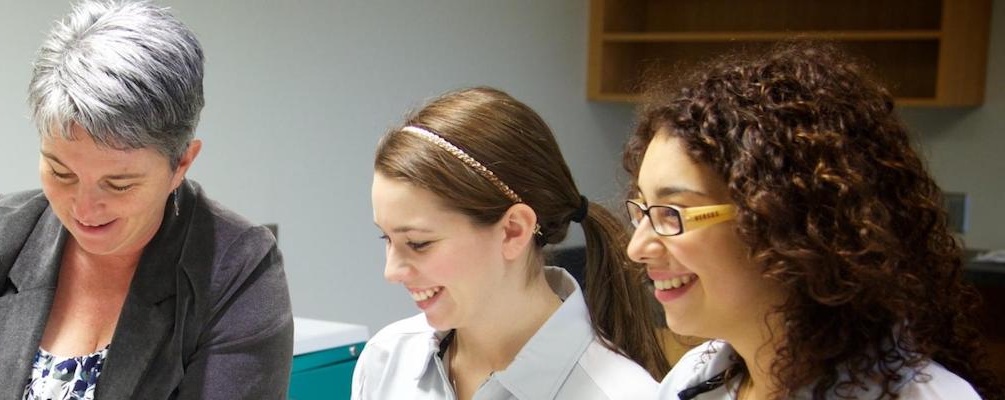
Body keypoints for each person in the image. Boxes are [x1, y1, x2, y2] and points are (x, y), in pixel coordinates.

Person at [0, 2, 293, 399]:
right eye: (61, 173)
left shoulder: (235, 269)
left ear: (181, 164)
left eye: (119, 185)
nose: (83, 209)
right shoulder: (0, 236)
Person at [623, 44, 1002, 399]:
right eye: (641, 210)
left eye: (672, 213)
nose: (636, 248)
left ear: (786, 223)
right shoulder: (694, 378)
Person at [353, 87, 670, 400]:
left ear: (513, 231)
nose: (391, 271)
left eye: (418, 243)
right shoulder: (385, 360)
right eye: (386, 237)